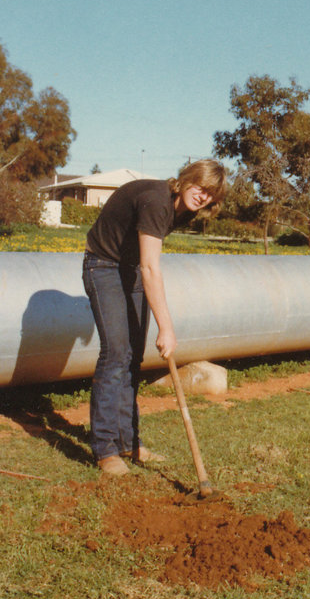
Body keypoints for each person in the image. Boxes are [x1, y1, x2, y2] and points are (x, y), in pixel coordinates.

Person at [82, 159, 228, 476]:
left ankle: (128, 442)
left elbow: (143, 264)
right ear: (187, 179)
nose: (203, 197)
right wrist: (167, 327)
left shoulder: (185, 210)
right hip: (103, 266)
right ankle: (105, 449)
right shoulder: (156, 201)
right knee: (116, 353)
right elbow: (151, 268)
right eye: (201, 187)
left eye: (210, 194)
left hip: (130, 269)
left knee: (133, 358)